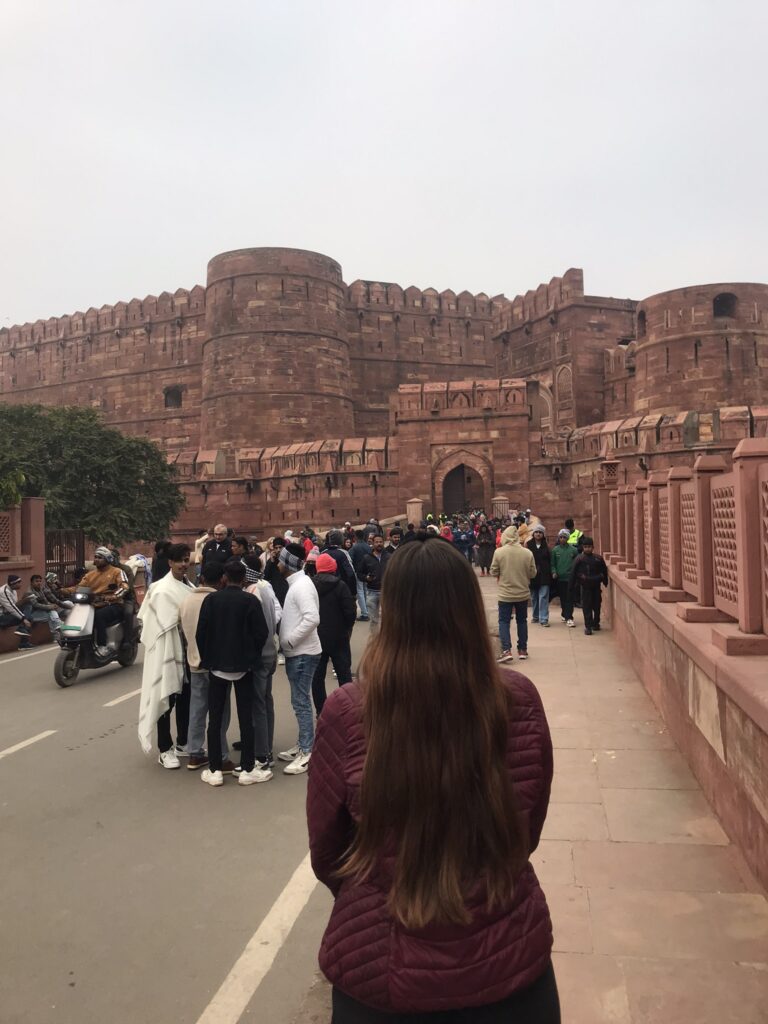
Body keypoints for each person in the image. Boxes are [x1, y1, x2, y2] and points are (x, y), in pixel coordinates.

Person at [307, 538, 558, 1022]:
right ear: (468, 608)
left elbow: (327, 846)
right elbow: (527, 825)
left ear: (393, 613)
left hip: (382, 972)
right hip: (508, 961)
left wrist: (374, 890)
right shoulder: (518, 699)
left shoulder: (349, 710)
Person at [195, 559, 270, 786]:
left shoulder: (211, 600)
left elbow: (201, 633)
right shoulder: (250, 600)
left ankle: (215, 769)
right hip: (244, 666)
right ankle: (247, 769)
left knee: (215, 719)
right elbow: (262, 633)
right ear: (244, 579)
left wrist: (208, 658)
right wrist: (252, 656)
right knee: (246, 718)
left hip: (217, 666)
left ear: (224, 578)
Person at [137, 543, 194, 768]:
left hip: (187, 652)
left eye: (186, 560)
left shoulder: (188, 586)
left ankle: (183, 742)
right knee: (166, 699)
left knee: (186, 699)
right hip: (167, 650)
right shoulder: (161, 590)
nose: (183, 564)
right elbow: (159, 624)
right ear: (170, 562)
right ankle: (165, 748)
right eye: (179, 560)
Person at [179, 562, 235, 772]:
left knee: (197, 709)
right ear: (222, 579)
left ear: (201, 578)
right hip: (216, 663)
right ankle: (221, 756)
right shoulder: (218, 600)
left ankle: (195, 753)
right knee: (220, 712)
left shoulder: (186, 600)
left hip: (194, 661)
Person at [276, 542, 322, 775]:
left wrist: (290, 641)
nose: (277, 564)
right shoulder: (298, 584)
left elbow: (312, 618)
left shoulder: (301, 586)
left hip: (302, 652)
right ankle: (303, 743)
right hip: (301, 652)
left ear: (288, 563)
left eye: (280, 560)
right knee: (300, 701)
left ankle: (307, 751)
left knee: (301, 702)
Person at [243, 572, 283, 770]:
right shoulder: (265, 589)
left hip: (260, 656)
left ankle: (262, 754)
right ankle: (266, 746)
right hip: (269, 652)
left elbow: (255, 629)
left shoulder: (253, 594)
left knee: (258, 703)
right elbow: (276, 616)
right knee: (266, 701)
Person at [311, 552, 356, 715]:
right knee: (344, 676)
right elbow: (350, 612)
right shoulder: (341, 586)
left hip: (317, 637)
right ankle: (348, 711)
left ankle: (321, 711)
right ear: (333, 568)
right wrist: (346, 628)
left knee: (317, 677)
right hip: (339, 637)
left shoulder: (311, 586)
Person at [63, 547, 128, 657]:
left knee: (99, 616)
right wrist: (63, 591)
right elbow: (79, 587)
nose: (96, 559)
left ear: (107, 559)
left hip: (113, 604)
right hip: (93, 604)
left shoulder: (117, 572)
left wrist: (113, 596)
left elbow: (124, 587)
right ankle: (72, 640)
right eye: (95, 557)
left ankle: (102, 645)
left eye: (100, 557)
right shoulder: (90, 575)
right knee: (75, 614)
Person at [490, 525, 536, 663]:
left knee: (504, 621)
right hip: (522, 593)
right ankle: (522, 649)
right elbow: (533, 573)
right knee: (522, 621)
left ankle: (506, 650)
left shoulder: (499, 552)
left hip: (505, 594)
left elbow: (493, 571)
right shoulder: (527, 553)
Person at [570, 537, 609, 635]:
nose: (587, 549)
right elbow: (573, 572)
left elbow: (604, 571)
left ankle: (596, 623)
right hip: (585, 586)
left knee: (597, 605)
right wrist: (571, 586)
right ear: (583, 547)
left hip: (596, 585)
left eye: (589, 547)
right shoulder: (579, 559)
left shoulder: (598, 558)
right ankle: (588, 626)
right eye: (586, 547)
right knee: (587, 606)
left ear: (593, 547)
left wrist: (605, 581)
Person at [357, 534, 392, 634]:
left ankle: (386, 638)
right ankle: (375, 639)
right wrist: (366, 578)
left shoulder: (389, 557)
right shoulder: (366, 558)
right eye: (376, 542)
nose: (379, 544)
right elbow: (359, 573)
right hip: (372, 592)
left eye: (380, 542)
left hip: (386, 592)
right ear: (372, 543)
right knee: (374, 620)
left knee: (387, 619)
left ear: (383, 542)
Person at [19, 575, 65, 639]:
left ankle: (58, 631)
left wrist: (51, 605)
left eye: (40, 581)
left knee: (53, 613)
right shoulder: (29, 592)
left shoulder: (39, 589)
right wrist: (49, 607)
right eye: (36, 581)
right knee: (51, 616)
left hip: (39, 612)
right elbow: (36, 605)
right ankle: (58, 629)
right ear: (31, 583)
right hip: (30, 614)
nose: (39, 583)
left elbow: (45, 601)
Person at [550, 529, 577, 627]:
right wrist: (554, 572)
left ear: (568, 538)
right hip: (560, 579)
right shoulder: (555, 550)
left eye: (564, 537)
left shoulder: (573, 550)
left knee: (569, 598)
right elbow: (552, 564)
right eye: (560, 537)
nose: (562, 539)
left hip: (570, 578)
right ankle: (564, 614)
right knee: (563, 598)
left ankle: (569, 617)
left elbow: (577, 564)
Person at [527, 525, 552, 627]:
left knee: (543, 596)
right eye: (536, 532)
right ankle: (536, 616)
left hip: (545, 574)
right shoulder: (528, 545)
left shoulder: (546, 545)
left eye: (540, 532)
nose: (538, 534)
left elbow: (550, 560)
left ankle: (544, 619)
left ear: (543, 534)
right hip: (533, 574)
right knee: (534, 597)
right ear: (533, 533)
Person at [0, 574, 34, 648]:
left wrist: (24, 600)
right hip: (2, 618)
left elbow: (15, 605)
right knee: (26, 618)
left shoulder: (14, 591)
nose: (20, 584)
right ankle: (23, 640)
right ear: (13, 583)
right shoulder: (3, 591)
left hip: (7, 614)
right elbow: (11, 608)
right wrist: (23, 618)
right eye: (18, 583)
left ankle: (23, 642)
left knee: (29, 611)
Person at [349, 530, 371, 622]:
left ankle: (364, 613)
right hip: (367, 572)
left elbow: (350, 559)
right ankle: (367, 611)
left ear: (355, 537)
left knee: (360, 592)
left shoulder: (354, 547)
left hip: (358, 572)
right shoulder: (368, 547)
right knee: (365, 591)